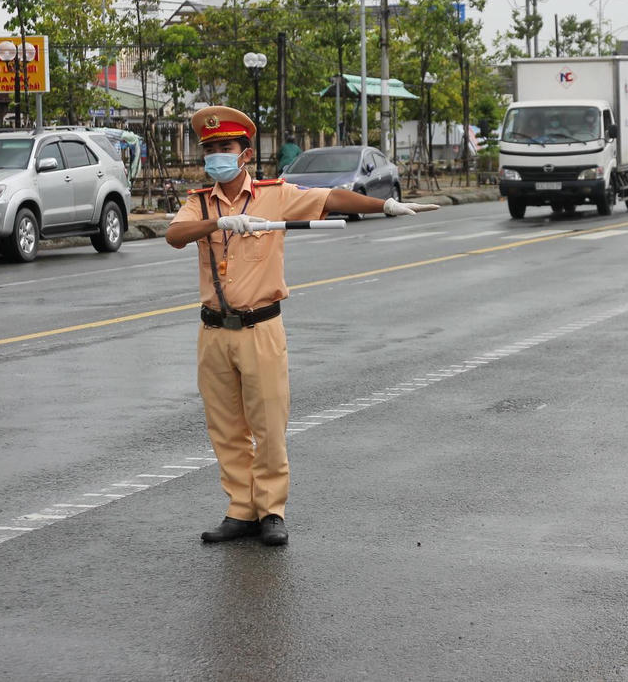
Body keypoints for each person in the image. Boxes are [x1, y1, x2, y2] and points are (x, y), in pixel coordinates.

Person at [166, 106, 439, 546]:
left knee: (269, 424)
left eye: (225, 147)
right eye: (210, 148)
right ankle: (241, 510)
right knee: (226, 427)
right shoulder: (199, 202)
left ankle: (271, 510)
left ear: (245, 155)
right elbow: (174, 236)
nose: (217, 155)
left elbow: (331, 198)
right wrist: (216, 222)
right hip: (214, 333)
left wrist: (385, 205)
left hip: (261, 328)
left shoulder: (274, 195)